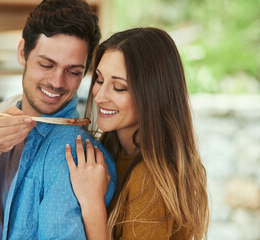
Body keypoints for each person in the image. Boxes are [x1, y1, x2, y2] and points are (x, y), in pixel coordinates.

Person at [0, 0, 117, 239]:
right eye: (46, 64)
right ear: (22, 52)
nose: (57, 82)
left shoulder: (75, 156)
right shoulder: (6, 108)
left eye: (73, 72)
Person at [65, 27, 209, 240]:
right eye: (99, 79)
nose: (100, 96)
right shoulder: (109, 152)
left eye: (119, 87)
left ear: (152, 95)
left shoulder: (151, 180)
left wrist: (92, 204)